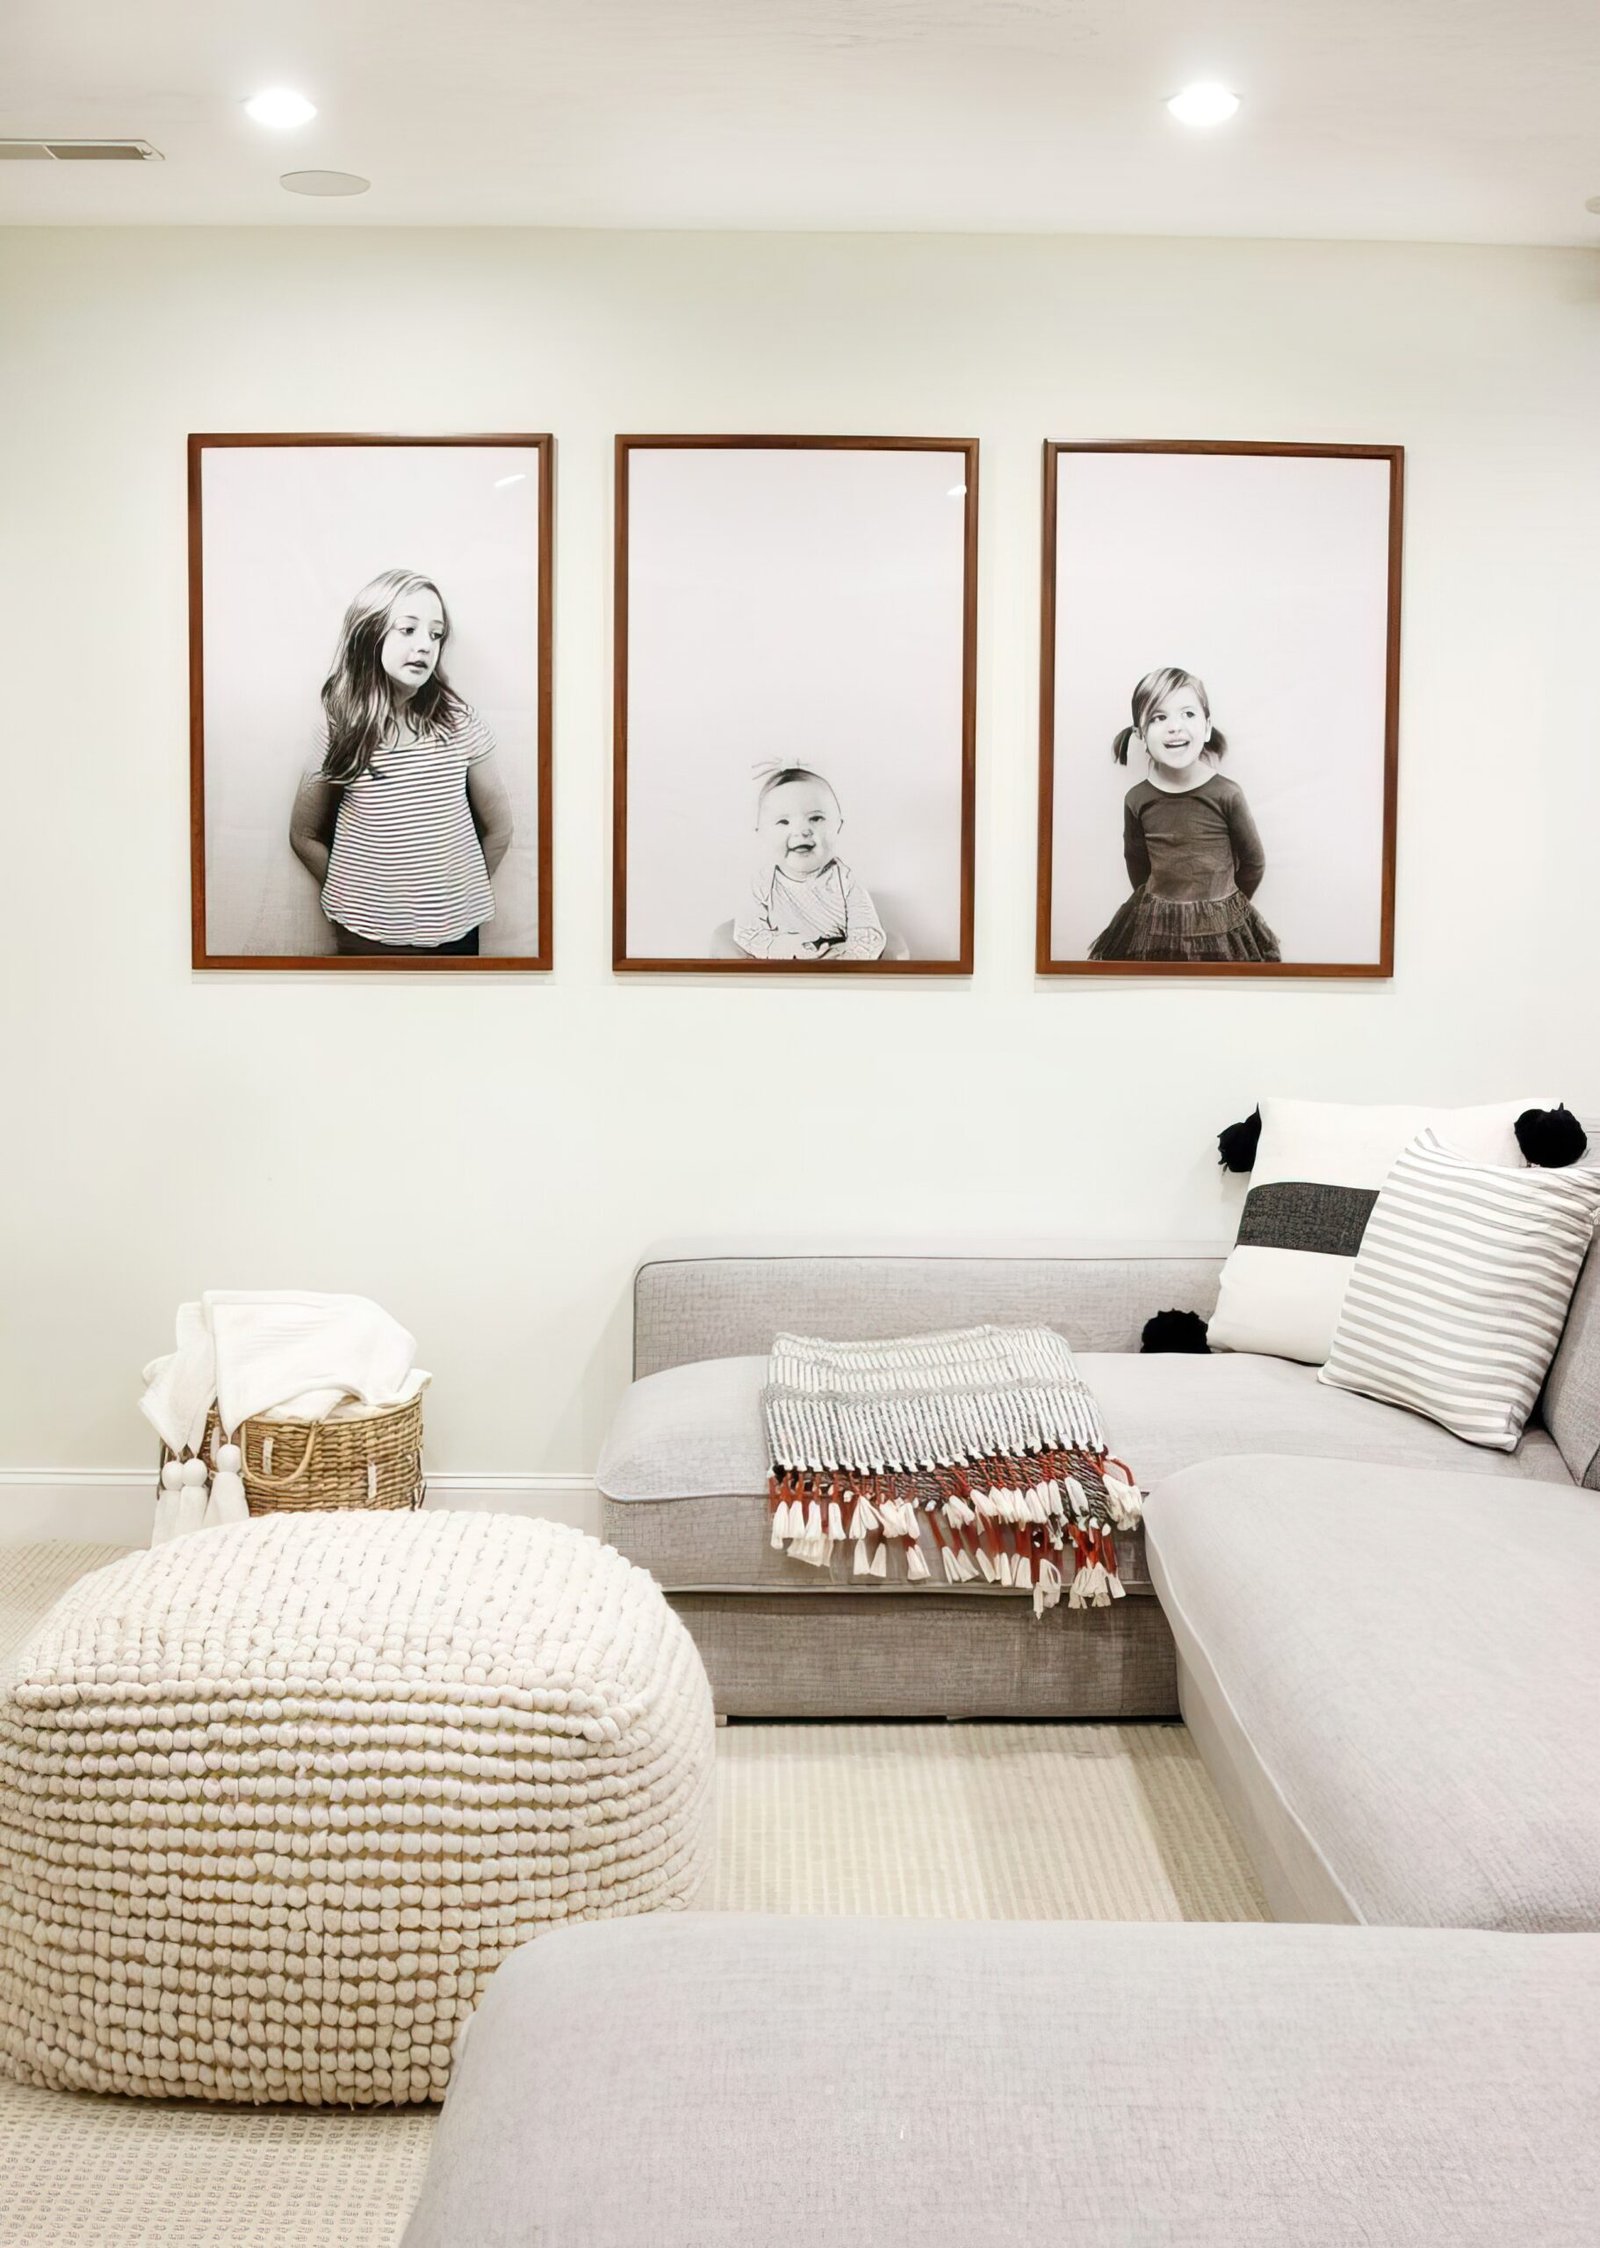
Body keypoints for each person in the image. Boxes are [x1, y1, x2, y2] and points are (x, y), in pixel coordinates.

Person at [289, 568, 513, 956]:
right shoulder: (339, 726)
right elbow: (304, 835)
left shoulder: (460, 723)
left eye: (435, 634)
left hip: (455, 935)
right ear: (370, 633)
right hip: (364, 938)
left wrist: (452, 901)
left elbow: (499, 830)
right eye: (408, 630)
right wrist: (356, 900)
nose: (425, 645)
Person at [1087, 666, 1280, 963]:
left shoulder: (1227, 794)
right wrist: (1157, 911)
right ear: (1140, 734)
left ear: (1206, 727)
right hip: (1156, 923)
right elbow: (1136, 864)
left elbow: (1253, 862)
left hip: (1221, 922)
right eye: (1159, 717)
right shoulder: (1137, 798)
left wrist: (1223, 909)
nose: (1174, 727)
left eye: (1188, 714)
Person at [732, 767, 887, 961]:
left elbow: (868, 933)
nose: (802, 831)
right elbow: (747, 933)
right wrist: (789, 949)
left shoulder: (845, 881)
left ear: (838, 825)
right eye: (783, 822)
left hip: (837, 971)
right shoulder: (761, 885)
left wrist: (845, 958)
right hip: (782, 973)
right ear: (761, 834)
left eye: (815, 818)